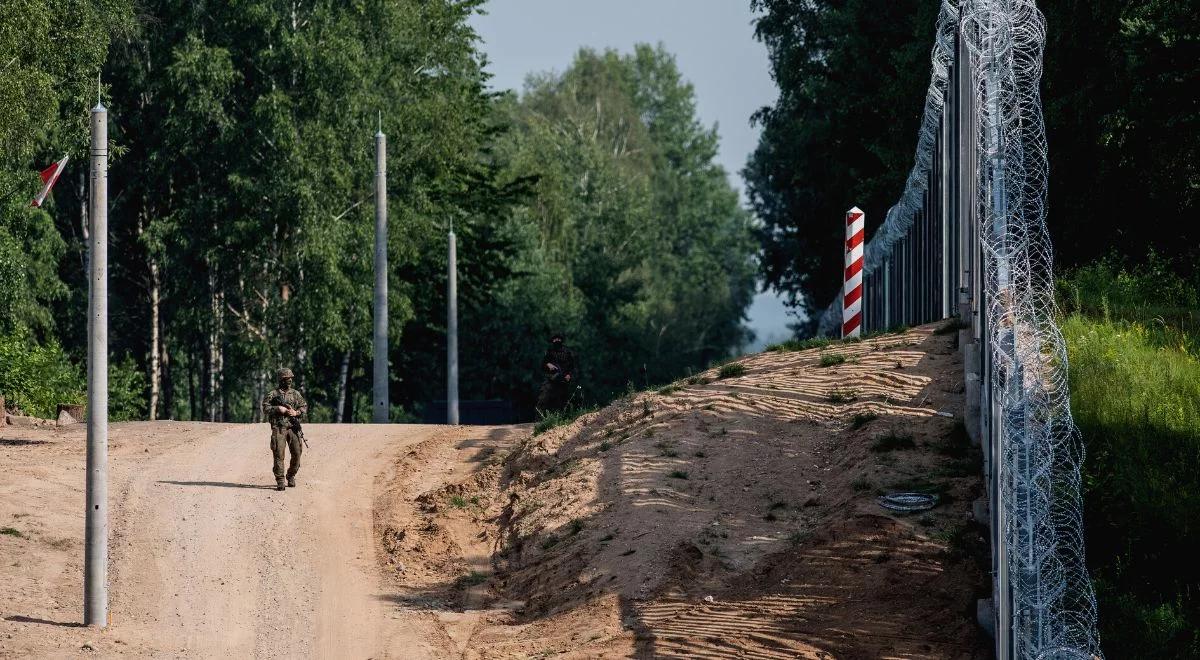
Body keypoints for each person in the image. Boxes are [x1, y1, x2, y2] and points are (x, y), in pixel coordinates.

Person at [261, 368, 308, 491]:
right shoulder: (273, 394)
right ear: (281, 380)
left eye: (291, 378)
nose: (290, 380)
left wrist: (296, 412)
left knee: (297, 454)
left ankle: (291, 475)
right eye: (287, 378)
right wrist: (278, 409)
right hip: (279, 428)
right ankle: (280, 480)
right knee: (278, 455)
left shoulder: (295, 394)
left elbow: (304, 407)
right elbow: (265, 408)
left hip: (293, 427)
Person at [536, 333, 577, 414]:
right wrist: (548, 364)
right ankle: (539, 419)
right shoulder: (549, 351)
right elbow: (543, 364)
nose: (557, 341)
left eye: (558, 339)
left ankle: (564, 419)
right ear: (552, 341)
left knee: (564, 402)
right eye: (555, 339)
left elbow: (572, 366)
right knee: (543, 398)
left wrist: (569, 375)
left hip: (563, 380)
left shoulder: (567, 352)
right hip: (551, 379)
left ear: (561, 340)